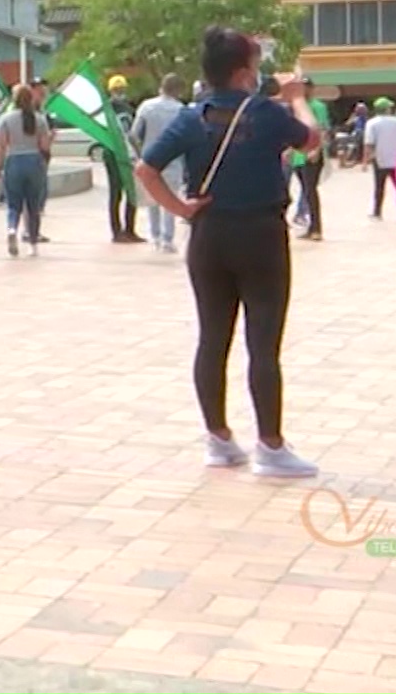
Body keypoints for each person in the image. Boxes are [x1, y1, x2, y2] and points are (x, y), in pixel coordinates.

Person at [135, 26, 322, 478]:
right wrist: (296, 96)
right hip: (259, 233)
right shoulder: (265, 112)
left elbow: (146, 167)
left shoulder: (192, 115)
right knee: (263, 342)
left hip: (208, 234)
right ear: (243, 73)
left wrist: (181, 208)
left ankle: (218, 439)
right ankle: (271, 447)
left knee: (212, 337)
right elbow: (311, 143)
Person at [0, 82, 53, 258]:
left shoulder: (6, 119)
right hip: (34, 161)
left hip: (13, 161)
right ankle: (33, 244)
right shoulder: (39, 119)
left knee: (13, 204)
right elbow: (44, 146)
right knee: (33, 205)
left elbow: (1, 146)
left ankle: (12, 228)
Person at [132, 74, 189, 254]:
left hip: (150, 160)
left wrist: (140, 153)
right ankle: (167, 239)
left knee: (152, 200)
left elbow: (134, 134)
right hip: (173, 162)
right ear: (178, 90)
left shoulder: (146, 107)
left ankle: (155, 236)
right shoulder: (181, 110)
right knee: (170, 200)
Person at [289, 79, 330, 240]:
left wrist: (317, 150)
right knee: (305, 192)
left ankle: (316, 229)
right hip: (298, 155)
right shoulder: (297, 107)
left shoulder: (318, 106)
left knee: (311, 191)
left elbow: (323, 130)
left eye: (306, 87)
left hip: (311, 155)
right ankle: (310, 226)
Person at [105, 74, 142, 244]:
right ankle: (116, 231)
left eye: (122, 90)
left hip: (129, 153)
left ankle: (130, 229)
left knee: (132, 191)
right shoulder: (106, 109)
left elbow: (133, 132)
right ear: (111, 91)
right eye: (117, 90)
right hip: (113, 153)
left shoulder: (128, 108)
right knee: (116, 192)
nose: (120, 93)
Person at [363, 97, 396, 218]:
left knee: (379, 187)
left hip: (380, 160)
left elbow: (369, 144)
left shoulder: (372, 123)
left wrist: (365, 162)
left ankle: (377, 212)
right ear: (387, 109)